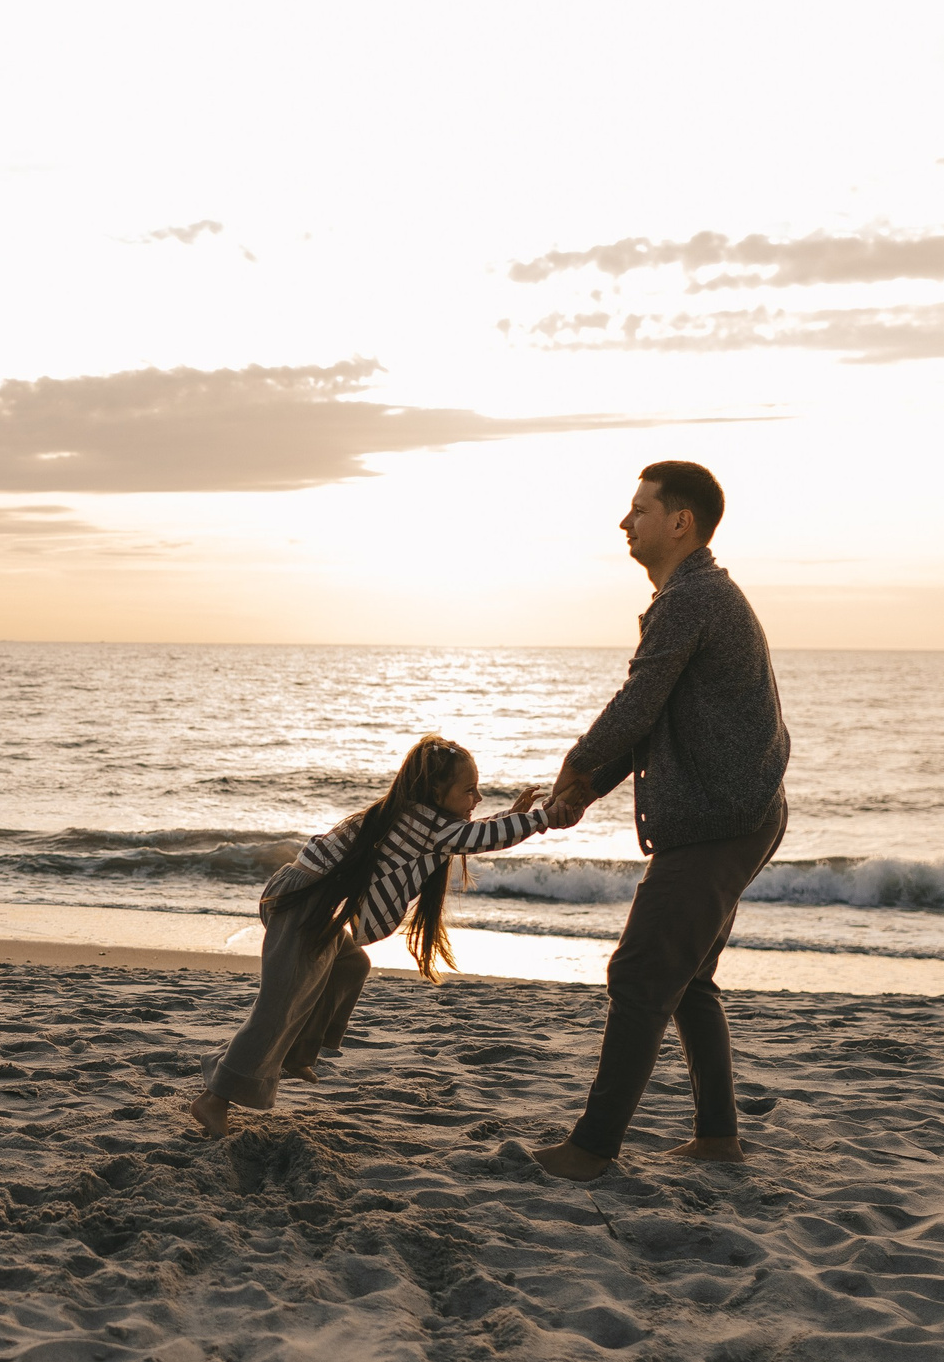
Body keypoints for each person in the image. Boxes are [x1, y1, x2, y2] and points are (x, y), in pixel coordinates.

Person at [533, 462, 790, 1180]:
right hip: (740, 815)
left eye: (640, 509)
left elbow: (636, 705)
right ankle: (717, 1137)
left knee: (643, 972)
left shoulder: (691, 598)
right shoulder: (697, 594)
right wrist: (585, 790)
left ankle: (592, 1148)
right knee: (688, 977)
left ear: (680, 522)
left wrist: (575, 767)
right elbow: (655, 723)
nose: (626, 522)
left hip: (720, 823)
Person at [190, 735, 550, 1139]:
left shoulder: (416, 818)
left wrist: (511, 816)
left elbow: (467, 833)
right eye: (469, 790)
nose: (477, 797)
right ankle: (214, 1099)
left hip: (307, 903)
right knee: (277, 1006)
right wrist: (543, 818)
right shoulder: (418, 823)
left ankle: (295, 1052)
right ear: (434, 791)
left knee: (350, 964)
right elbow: (474, 839)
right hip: (299, 903)